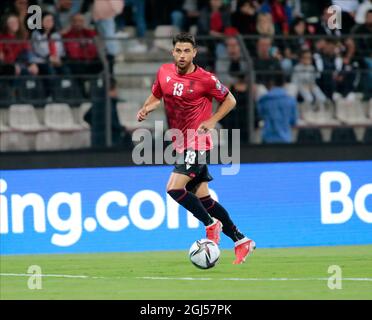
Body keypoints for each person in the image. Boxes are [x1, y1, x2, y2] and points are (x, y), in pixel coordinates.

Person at [136, 32, 256, 265]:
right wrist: (146, 109)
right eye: (178, 51)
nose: (182, 55)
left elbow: (230, 100)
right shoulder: (164, 72)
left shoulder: (206, 79)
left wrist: (212, 121)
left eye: (186, 51)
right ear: (173, 52)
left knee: (173, 188)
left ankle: (211, 225)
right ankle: (241, 240)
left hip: (197, 142)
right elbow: (155, 96)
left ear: (194, 53)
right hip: (180, 143)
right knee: (205, 200)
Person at [257, 72, 298, 143]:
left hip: (267, 138)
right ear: (284, 83)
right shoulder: (291, 100)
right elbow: (293, 121)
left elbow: (260, 115)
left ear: (271, 83)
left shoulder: (263, 100)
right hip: (285, 138)